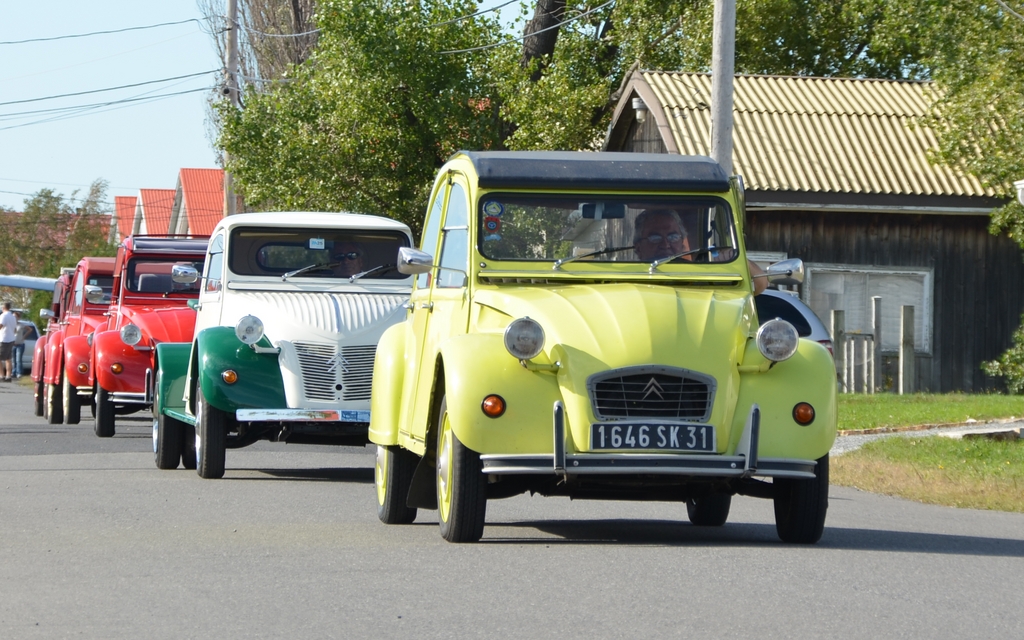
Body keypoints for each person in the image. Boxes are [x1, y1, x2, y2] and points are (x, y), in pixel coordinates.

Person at [633, 209, 766, 295]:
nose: (665, 244)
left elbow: (760, 285)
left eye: (673, 237)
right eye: (655, 238)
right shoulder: (625, 275)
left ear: (682, 242)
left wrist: (736, 257)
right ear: (638, 247)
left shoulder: (701, 273)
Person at [0, 302, 16, 382]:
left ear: (3, 308)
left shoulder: (3, 316)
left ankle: (1, 375)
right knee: (8, 358)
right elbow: (15, 328)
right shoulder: (13, 317)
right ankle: (8, 376)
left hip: (3, 339)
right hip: (11, 338)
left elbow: (0, 325)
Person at [12, 311, 26, 378]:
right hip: (12, 344)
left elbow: (30, 330)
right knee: (14, 359)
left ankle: (19, 373)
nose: (14, 318)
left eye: (15, 317)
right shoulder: (11, 325)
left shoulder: (21, 325)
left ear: (18, 318)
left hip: (20, 344)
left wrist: (24, 337)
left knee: (18, 359)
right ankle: (14, 372)